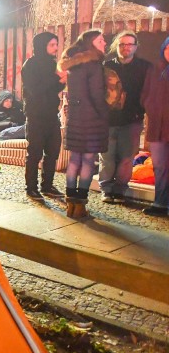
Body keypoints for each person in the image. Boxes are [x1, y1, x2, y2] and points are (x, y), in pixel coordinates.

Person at [57, 29, 108, 219]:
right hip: (92, 119)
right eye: (100, 40)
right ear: (91, 43)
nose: (104, 42)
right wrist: (104, 114)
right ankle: (80, 206)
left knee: (74, 160)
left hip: (76, 117)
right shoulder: (94, 64)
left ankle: (70, 205)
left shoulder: (73, 64)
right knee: (87, 161)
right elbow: (96, 94)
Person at [100, 31, 152, 203]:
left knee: (127, 158)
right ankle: (106, 189)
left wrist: (142, 110)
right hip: (108, 120)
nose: (126, 47)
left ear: (135, 47)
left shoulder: (144, 67)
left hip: (132, 119)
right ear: (117, 46)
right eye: (122, 44)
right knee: (107, 156)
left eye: (130, 44)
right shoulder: (107, 66)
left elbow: (149, 92)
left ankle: (121, 189)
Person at [22, 31, 66, 200]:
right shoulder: (31, 65)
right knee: (34, 153)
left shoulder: (51, 64)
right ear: (42, 46)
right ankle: (31, 187)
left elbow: (53, 89)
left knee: (53, 150)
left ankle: (47, 185)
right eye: (52, 45)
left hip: (51, 114)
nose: (55, 48)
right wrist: (57, 81)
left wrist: (60, 83)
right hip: (36, 115)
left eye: (56, 45)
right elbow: (35, 89)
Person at [140, 36, 169, 217]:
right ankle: (160, 202)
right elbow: (145, 93)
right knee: (159, 166)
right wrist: (150, 107)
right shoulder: (155, 69)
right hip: (157, 127)